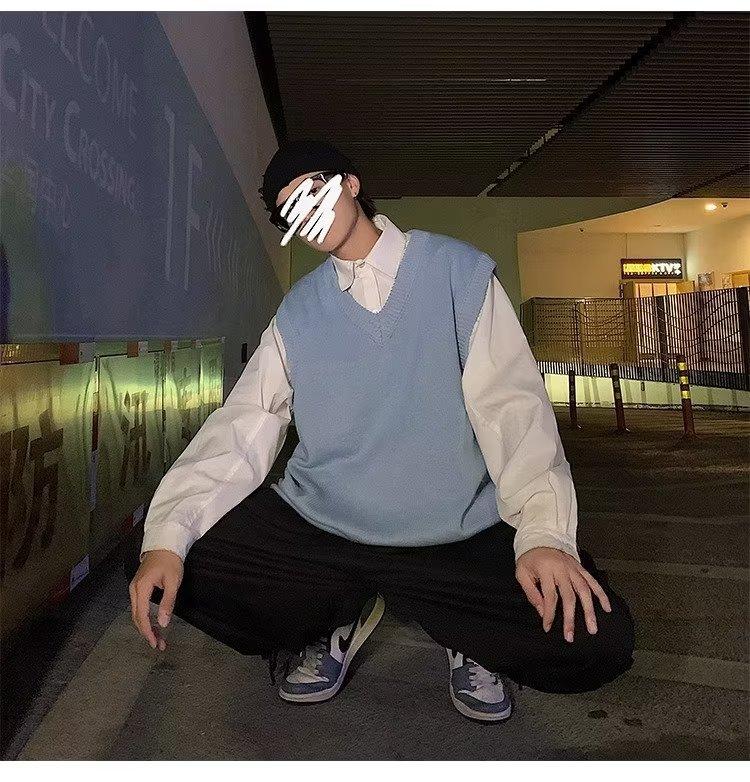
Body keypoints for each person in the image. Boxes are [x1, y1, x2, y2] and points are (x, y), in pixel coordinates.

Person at [124, 139, 634, 723]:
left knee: (597, 639)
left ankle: (463, 629)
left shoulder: (457, 273)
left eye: (311, 191)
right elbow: (243, 426)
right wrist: (167, 538)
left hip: (453, 533)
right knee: (164, 559)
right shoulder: (298, 313)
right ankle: (337, 613)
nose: (305, 214)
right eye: (289, 210)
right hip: (327, 530)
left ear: (350, 184)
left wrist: (544, 534)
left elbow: (514, 410)